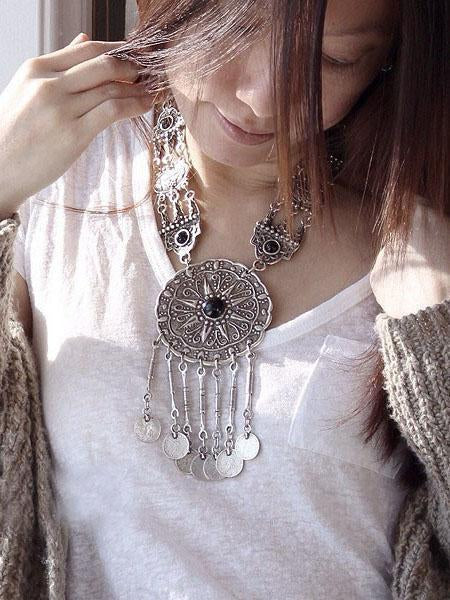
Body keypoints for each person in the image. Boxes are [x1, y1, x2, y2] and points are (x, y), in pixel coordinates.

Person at [0, 0, 448, 598]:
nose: (261, 98)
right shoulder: (60, 170)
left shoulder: (422, 250)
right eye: (236, 31)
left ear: (386, 62)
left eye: (331, 60)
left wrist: (436, 345)